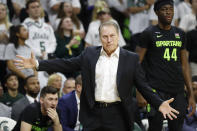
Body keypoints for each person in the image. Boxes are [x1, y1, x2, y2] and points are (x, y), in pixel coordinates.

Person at [14, 21, 179, 131]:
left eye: (112, 36)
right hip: (93, 113)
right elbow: (65, 64)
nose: (108, 40)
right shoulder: (89, 54)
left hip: (118, 113)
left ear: (118, 36)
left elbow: (143, 86)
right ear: (99, 37)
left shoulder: (131, 58)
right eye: (104, 36)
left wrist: (159, 104)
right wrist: (37, 64)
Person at [137, 0, 196, 130]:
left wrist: (190, 94)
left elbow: (185, 65)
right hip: (156, 92)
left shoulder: (180, 34)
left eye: (170, 9)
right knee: (155, 127)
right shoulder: (148, 33)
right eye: (164, 9)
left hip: (177, 91)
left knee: (177, 128)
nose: (168, 12)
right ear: (156, 12)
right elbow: (137, 63)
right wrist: (140, 92)